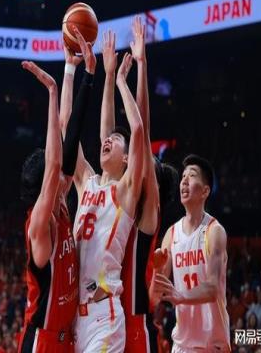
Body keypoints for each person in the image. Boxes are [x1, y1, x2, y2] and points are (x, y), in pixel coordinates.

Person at [71, 27, 145, 353]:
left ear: (126, 159)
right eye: (107, 140)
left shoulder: (126, 190)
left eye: (115, 142)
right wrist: (88, 72)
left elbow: (137, 130)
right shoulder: (87, 180)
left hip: (104, 314)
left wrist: (120, 82)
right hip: (74, 315)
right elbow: (69, 130)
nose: (107, 141)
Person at [18, 52, 95, 352]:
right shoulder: (39, 223)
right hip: (43, 339)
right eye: (55, 177)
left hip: (68, 338)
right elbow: (53, 165)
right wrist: (52, 91)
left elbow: (68, 135)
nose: (64, 176)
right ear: (45, 188)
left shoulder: (61, 203)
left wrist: (71, 71)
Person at [100, 18, 162, 352]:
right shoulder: (114, 197)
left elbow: (143, 133)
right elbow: (107, 136)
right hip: (105, 319)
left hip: (136, 326)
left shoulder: (146, 210)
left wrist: (141, 66)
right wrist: (108, 77)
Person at [150, 155, 230, 352]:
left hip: (212, 345)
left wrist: (180, 295)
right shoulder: (171, 234)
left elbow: (212, 288)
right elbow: (154, 297)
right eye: (183, 176)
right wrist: (156, 270)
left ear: (205, 191)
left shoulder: (214, 231)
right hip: (182, 345)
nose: (184, 180)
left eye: (192, 175)